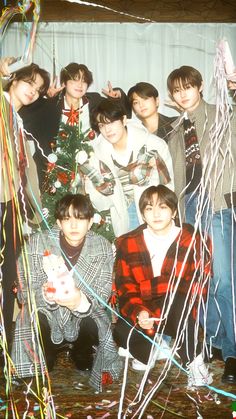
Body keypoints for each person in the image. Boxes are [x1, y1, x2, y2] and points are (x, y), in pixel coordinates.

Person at [167, 65, 236, 383]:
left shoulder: (223, 113)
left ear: (200, 86)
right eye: (176, 90)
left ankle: (232, 350)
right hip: (190, 208)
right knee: (203, 280)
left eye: (187, 87)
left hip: (218, 204)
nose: (182, 94)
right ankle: (212, 342)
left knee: (224, 280)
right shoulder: (176, 128)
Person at [11, 194, 122, 392]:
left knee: (93, 319)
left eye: (80, 218)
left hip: (83, 315)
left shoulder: (103, 247)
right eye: (67, 219)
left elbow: (103, 293)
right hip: (47, 312)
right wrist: (45, 295)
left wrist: (79, 301)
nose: (73, 225)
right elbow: (22, 290)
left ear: (90, 223)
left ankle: (82, 353)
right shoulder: (36, 243)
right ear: (59, 222)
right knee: (32, 315)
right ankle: (46, 354)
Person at [113, 185, 213, 387]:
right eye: (149, 208)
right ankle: (154, 347)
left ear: (174, 211)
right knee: (120, 333)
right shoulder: (128, 243)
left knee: (182, 299)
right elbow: (125, 288)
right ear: (142, 214)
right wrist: (140, 312)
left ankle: (194, 361)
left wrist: (146, 289)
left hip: (179, 310)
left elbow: (195, 287)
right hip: (145, 311)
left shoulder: (194, 241)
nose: (156, 214)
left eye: (163, 207)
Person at [0, 63, 50, 353]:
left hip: (13, 207)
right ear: (14, 79)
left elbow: (26, 171)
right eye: (29, 82)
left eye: (39, 89)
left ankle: (6, 345)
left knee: (10, 275)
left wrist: (36, 211)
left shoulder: (18, 121)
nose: (33, 90)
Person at [18, 62, 131, 188]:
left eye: (84, 81)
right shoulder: (50, 105)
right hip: (53, 174)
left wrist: (117, 98)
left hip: (89, 173)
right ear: (64, 83)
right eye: (74, 80)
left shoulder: (95, 101)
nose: (80, 85)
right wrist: (43, 98)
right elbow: (21, 114)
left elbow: (123, 115)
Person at [87, 98, 174, 237]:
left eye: (112, 122)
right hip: (123, 220)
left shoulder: (153, 145)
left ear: (124, 120)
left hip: (156, 215)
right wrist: (102, 188)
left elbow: (168, 185)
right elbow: (99, 202)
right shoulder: (96, 157)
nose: (107, 129)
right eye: (102, 125)